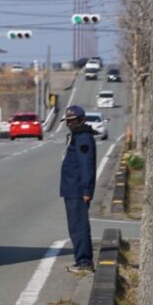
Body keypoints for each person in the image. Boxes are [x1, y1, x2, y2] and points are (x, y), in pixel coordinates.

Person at [60, 105, 96, 272]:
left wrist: (87, 190)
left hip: (78, 190)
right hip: (72, 188)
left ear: (82, 120)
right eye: (68, 121)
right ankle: (81, 260)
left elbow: (86, 165)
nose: (70, 124)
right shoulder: (77, 136)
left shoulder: (83, 138)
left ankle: (84, 262)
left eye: (73, 121)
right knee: (75, 227)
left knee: (79, 227)